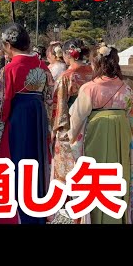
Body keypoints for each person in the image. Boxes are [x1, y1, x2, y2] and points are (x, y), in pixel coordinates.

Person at [0, 23, 55, 224]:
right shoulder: (43, 67)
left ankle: (12, 215)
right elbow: (50, 100)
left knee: (14, 167)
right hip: (38, 122)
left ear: (7, 45)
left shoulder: (10, 69)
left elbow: (0, 107)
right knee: (36, 167)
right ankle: (35, 213)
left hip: (17, 123)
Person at [68, 45, 133, 224]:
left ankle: (96, 217)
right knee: (119, 175)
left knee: (96, 176)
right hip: (121, 134)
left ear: (96, 64)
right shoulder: (126, 88)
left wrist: (70, 137)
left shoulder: (89, 88)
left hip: (96, 133)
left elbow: (77, 119)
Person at [51, 39, 93, 186]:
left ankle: (67, 201)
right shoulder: (94, 74)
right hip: (92, 126)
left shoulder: (67, 76)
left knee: (68, 170)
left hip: (71, 126)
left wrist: (55, 130)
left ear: (68, 55)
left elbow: (59, 106)